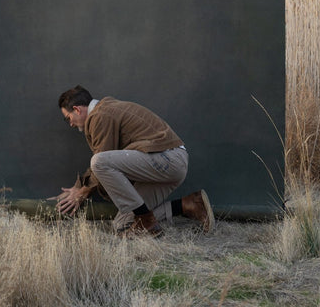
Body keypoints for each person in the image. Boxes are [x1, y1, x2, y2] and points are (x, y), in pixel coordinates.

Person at [52, 85, 215, 237]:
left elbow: (102, 160)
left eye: (68, 118)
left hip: (167, 158)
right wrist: (78, 187)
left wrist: (81, 192)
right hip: (162, 166)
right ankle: (189, 204)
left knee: (99, 162)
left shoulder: (101, 115)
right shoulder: (103, 112)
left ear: (76, 109)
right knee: (122, 224)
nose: (71, 124)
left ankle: (146, 220)